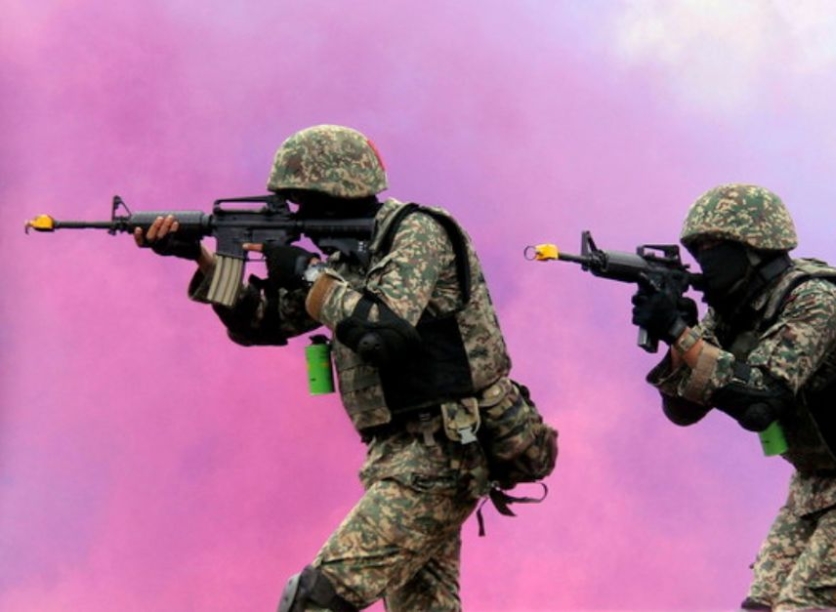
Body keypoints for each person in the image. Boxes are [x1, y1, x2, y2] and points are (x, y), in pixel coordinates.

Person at [134, 125, 551, 611]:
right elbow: (262, 323)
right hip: (403, 456)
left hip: (441, 454)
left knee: (316, 599)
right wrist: (204, 260)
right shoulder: (345, 259)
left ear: (336, 193)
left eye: (303, 202)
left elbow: (385, 332)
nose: (298, 216)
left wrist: (305, 271)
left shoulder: (416, 231)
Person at [631, 184, 836, 611]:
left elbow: (760, 401)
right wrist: (680, 338)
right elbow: (683, 411)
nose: (703, 263)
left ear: (753, 248)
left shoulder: (815, 300)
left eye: (713, 248)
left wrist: (680, 333)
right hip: (813, 482)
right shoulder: (734, 309)